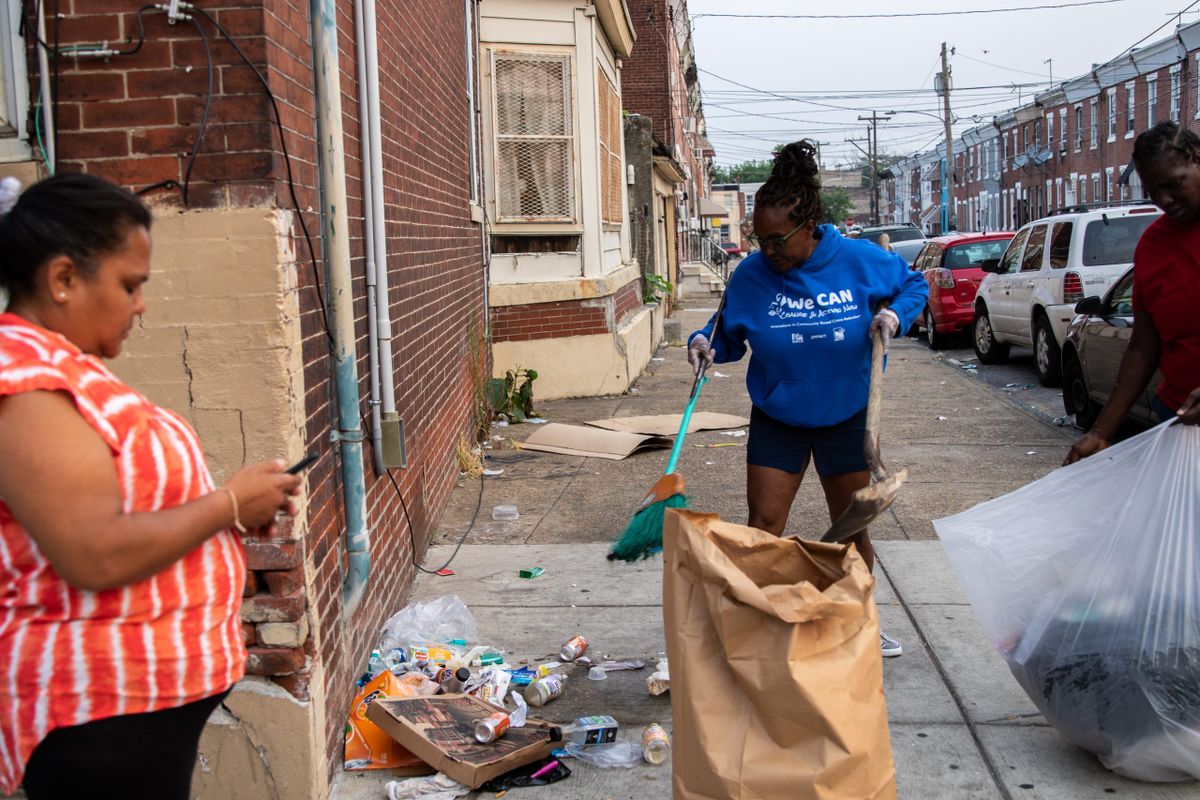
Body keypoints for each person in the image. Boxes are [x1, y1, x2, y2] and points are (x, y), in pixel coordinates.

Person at [0, 174, 302, 799]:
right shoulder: (23, 381)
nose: (141, 304)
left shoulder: (61, 370)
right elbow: (94, 551)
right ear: (62, 279)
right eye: (129, 284)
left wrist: (237, 516)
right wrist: (227, 504)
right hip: (97, 714)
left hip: (133, 710)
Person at [688, 141, 928, 658]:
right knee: (764, 527)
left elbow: (914, 285)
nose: (767, 250)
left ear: (809, 225)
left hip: (847, 415)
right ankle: (759, 624)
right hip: (779, 415)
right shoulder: (752, 275)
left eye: (778, 240)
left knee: (851, 532)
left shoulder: (861, 260)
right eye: (760, 239)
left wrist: (895, 316)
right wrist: (704, 343)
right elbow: (726, 331)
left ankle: (861, 622)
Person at [1065, 121, 1200, 465]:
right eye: (1154, 192)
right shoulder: (1154, 246)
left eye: (1174, 184)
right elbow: (1143, 346)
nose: (1165, 200)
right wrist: (1100, 432)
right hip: (1179, 421)